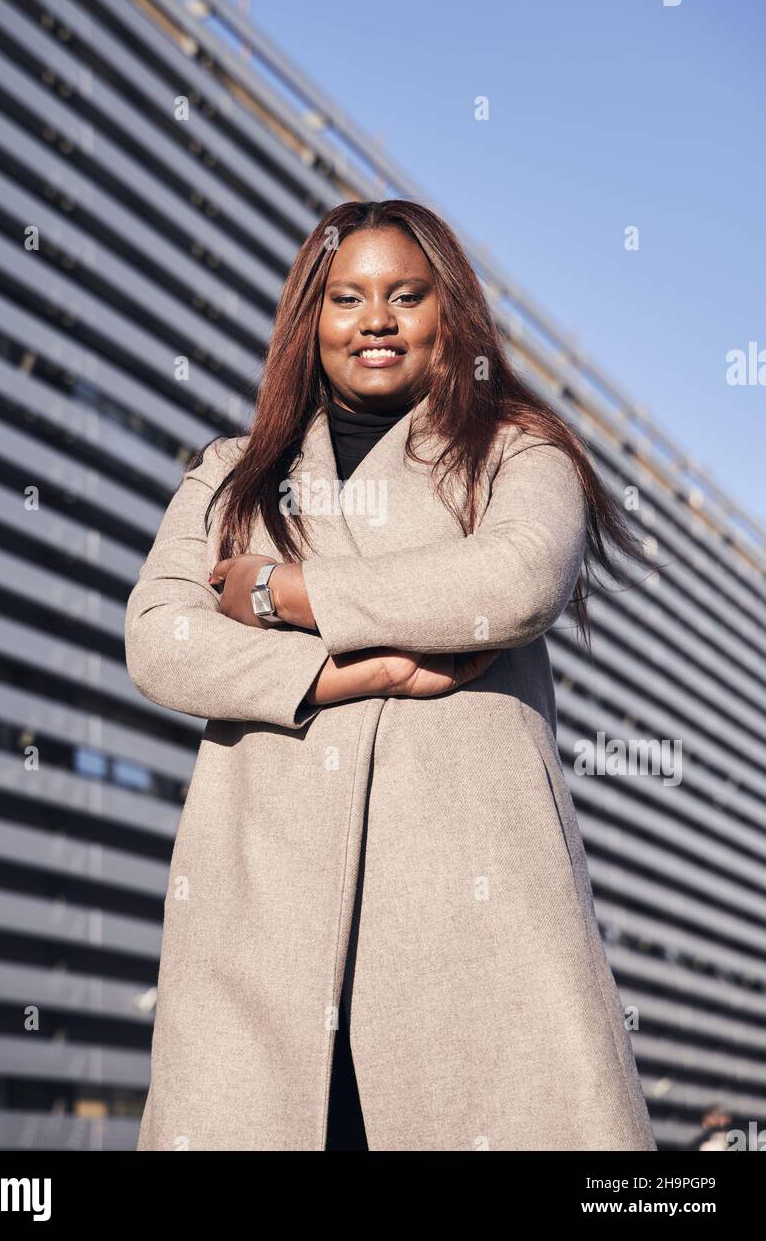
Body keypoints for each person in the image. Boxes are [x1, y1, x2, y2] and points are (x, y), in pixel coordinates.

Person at [126, 198, 657, 1151]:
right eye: (346, 299)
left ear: (447, 314)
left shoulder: (516, 450)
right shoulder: (232, 473)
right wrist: (338, 677)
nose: (376, 320)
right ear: (309, 320)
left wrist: (282, 591)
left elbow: (514, 579)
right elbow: (161, 637)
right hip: (262, 920)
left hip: (470, 919)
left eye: (406, 295)